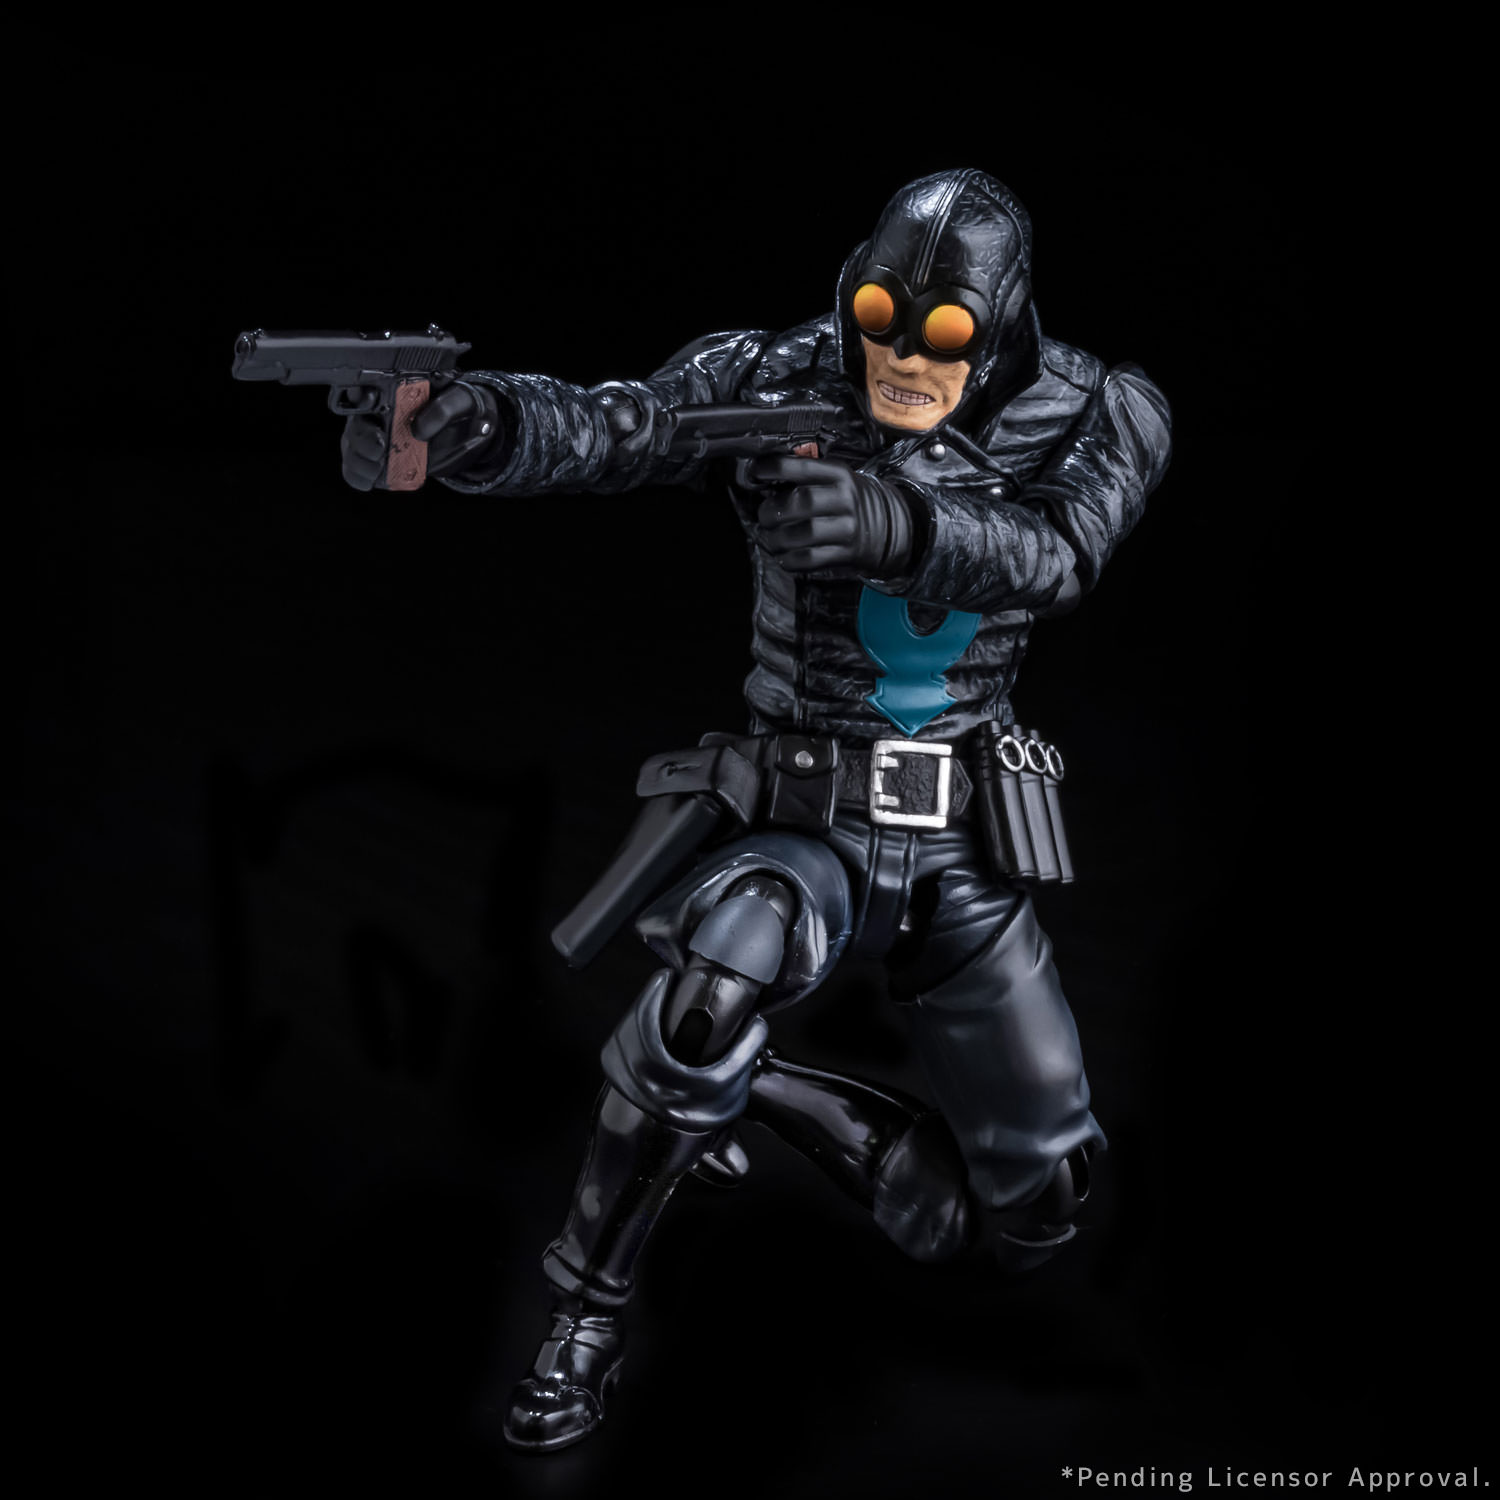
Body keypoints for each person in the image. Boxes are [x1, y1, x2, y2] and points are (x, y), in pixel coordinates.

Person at [340, 168, 1173, 1451]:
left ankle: (757, 1087)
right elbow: (621, 426)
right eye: (881, 314)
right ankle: (584, 1319)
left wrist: (896, 521)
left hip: (964, 843)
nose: (904, 356)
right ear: (851, 292)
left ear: (1004, 325)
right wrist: (478, 425)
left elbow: (1060, 553)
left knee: (1030, 1211)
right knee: (702, 1000)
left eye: (946, 330)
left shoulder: (1100, 411)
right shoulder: (779, 374)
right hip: (807, 816)